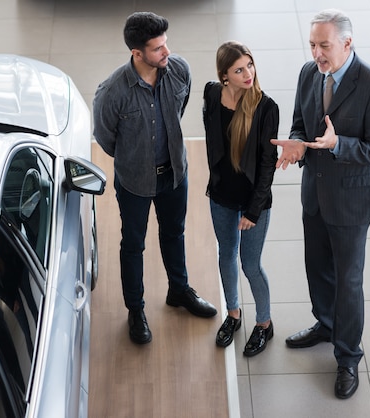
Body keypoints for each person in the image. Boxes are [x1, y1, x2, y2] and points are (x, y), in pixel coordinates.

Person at [271, 9, 370, 399]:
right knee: (318, 267)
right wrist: (296, 143)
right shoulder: (309, 74)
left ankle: (348, 357)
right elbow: (298, 122)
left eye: (324, 45)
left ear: (347, 42)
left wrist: (338, 144)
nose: (317, 53)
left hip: (352, 200)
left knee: (349, 281)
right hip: (316, 194)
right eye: (312, 44)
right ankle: (325, 324)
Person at [92, 11, 217, 345]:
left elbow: (180, 107)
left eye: (166, 44)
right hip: (134, 182)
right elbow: (105, 138)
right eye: (158, 48)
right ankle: (136, 310)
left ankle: (179, 290)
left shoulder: (179, 70)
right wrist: (135, 157)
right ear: (137, 53)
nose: (167, 52)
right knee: (133, 245)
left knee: (174, 233)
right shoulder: (112, 92)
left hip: (174, 173)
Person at [203, 41, 279, 357]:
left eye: (250, 65)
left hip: (252, 203)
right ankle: (233, 315)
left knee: (250, 264)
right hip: (221, 196)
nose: (248, 73)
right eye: (239, 69)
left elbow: (266, 166)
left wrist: (253, 210)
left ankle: (264, 324)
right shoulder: (210, 94)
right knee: (225, 255)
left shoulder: (265, 107)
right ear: (224, 76)